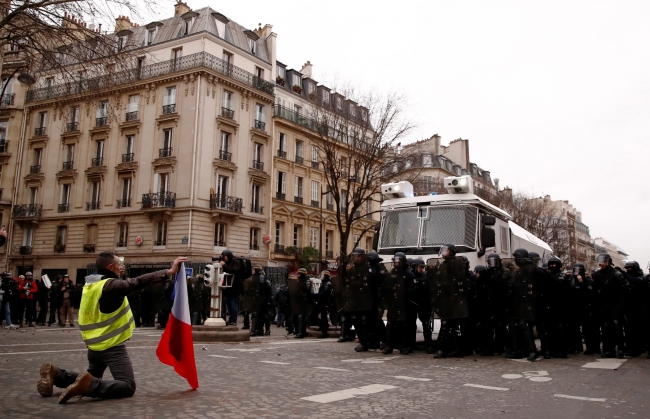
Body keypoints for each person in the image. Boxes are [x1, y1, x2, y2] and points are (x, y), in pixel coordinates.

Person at [36, 252, 186, 404]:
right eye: (118, 265)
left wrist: (117, 276)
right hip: (111, 346)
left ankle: (57, 375)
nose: (121, 267)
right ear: (110, 267)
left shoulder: (91, 284)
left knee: (91, 376)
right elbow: (137, 282)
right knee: (127, 385)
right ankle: (88, 386)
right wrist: (168, 272)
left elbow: (110, 294)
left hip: (94, 346)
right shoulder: (110, 286)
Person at [432, 245, 470, 358]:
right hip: (445, 299)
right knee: (449, 325)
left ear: (452, 252)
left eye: (446, 251)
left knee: (449, 324)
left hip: (454, 300)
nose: (444, 253)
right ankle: (454, 348)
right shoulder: (443, 265)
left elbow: (457, 280)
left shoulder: (456, 263)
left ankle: (444, 350)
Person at [592, 253, 627, 358]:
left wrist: (621, 305)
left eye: (604, 261)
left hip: (615, 303)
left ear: (608, 261)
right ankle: (609, 349)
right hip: (604, 303)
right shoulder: (598, 274)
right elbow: (595, 288)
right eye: (601, 261)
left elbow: (623, 290)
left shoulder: (616, 273)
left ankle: (620, 349)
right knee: (606, 327)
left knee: (617, 326)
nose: (602, 264)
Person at [506, 249, 538, 362]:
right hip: (517, 303)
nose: (516, 260)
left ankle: (532, 350)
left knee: (524, 326)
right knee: (515, 327)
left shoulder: (531, 270)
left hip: (528, 304)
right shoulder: (518, 272)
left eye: (518, 257)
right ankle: (519, 350)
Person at [381, 252, 414, 355]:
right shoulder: (392, 272)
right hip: (393, 304)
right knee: (390, 325)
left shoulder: (408, 274)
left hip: (404, 304)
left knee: (403, 326)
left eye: (399, 260)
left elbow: (413, 289)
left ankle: (403, 346)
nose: (397, 262)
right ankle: (389, 346)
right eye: (396, 260)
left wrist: (404, 293)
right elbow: (387, 286)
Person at [345, 248, 375, 352]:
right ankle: (362, 341)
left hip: (366, 300)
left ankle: (365, 342)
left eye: (358, 256)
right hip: (355, 300)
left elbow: (374, 285)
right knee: (355, 320)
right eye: (355, 256)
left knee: (365, 322)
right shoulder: (351, 270)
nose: (356, 258)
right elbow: (348, 284)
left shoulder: (368, 269)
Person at [621, 261, 647, 357]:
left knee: (638, 328)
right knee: (629, 329)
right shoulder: (627, 279)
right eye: (627, 268)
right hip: (628, 306)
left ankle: (639, 348)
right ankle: (630, 348)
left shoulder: (641, 277)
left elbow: (636, 282)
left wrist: (624, 274)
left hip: (639, 306)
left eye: (630, 268)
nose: (628, 270)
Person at [409, 258, 434, 353]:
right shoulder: (410, 276)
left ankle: (428, 345)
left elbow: (429, 290)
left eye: (423, 267)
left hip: (423, 303)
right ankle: (411, 344)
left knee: (426, 324)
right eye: (420, 267)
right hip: (412, 303)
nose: (422, 269)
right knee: (411, 325)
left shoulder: (425, 277)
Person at [219, 249, 244, 326]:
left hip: (235, 287)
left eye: (225, 256)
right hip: (228, 287)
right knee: (229, 303)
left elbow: (234, 270)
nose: (224, 258)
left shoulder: (236, 262)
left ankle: (233, 319)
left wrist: (224, 265)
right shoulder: (228, 262)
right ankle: (231, 319)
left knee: (233, 303)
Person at [312, 270, 332, 338]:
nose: (322, 277)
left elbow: (324, 294)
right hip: (321, 302)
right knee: (313, 315)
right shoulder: (324, 283)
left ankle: (324, 331)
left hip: (325, 302)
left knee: (324, 317)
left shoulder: (328, 284)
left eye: (323, 275)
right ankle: (322, 326)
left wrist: (314, 295)